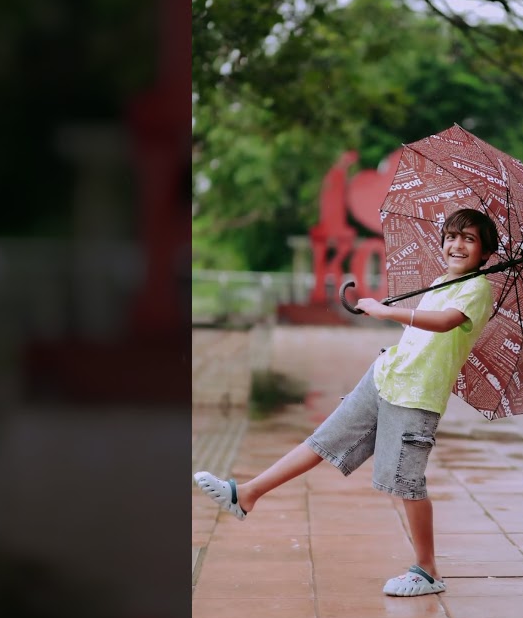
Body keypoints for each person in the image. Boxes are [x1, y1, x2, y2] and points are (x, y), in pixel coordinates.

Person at [194, 207, 498, 597]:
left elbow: (444, 322)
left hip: (416, 396)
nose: (457, 245)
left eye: (469, 239)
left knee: (405, 482)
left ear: (486, 253)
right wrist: (398, 314)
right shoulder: (441, 281)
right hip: (385, 376)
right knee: (323, 439)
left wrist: (387, 311)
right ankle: (247, 494)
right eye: (452, 236)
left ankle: (427, 570)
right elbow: (422, 330)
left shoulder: (478, 289)